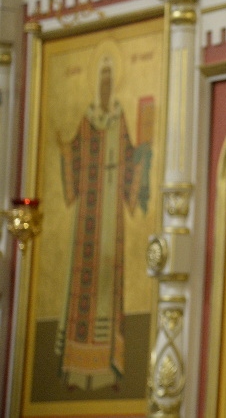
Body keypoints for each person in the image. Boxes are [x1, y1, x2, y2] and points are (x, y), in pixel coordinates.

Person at [58, 56, 152, 390]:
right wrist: (65, 151)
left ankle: (109, 368)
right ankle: (75, 368)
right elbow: (74, 153)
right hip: (88, 214)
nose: (106, 85)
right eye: (103, 80)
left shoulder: (118, 119)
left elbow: (129, 156)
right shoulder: (87, 121)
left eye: (111, 80)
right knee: (84, 283)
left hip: (111, 216)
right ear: (97, 84)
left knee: (109, 291)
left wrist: (142, 155)